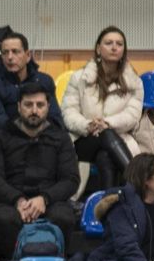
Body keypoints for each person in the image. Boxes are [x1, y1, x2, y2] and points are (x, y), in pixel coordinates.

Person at [0, 83, 78, 261]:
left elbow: (70, 179)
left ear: (48, 107)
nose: (34, 110)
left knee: (63, 217)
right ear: (19, 106)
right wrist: (18, 200)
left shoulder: (61, 138)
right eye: (28, 104)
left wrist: (44, 199)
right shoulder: (0, 137)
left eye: (40, 105)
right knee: (2, 218)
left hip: (50, 200)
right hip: (11, 200)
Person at [62, 26, 147, 194]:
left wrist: (107, 123)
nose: (114, 47)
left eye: (119, 44)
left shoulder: (134, 82)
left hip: (117, 139)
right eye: (109, 43)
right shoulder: (79, 78)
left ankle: (109, 204)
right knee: (105, 135)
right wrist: (88, 125)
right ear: (98, 48)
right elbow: (68, 112)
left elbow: (132, 115)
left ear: (124, 50)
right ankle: (139, 184)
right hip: (83, 139)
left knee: (105, 157)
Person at [0, 31, 63, 136]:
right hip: (5, 138)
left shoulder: (44, 81)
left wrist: (37, 135)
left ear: (27, 56)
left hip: (42, 137)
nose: (10, 57)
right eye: (5, 53)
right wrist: (26, 135)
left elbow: (55, 118)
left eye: (15, 52)